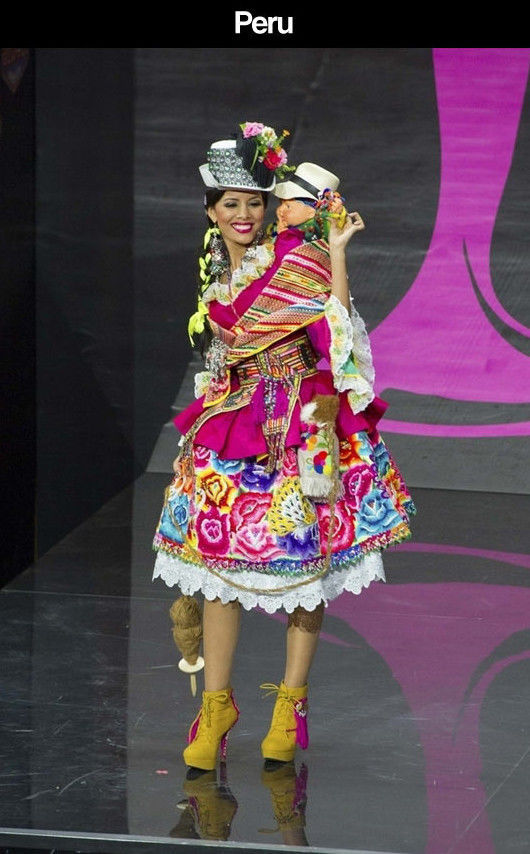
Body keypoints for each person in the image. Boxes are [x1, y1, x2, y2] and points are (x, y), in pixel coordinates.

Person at [152, 122, 416, 773]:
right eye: (230, 205)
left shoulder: (293, 259)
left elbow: (339, 330)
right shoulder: (215, 265)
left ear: (268, 206)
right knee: (217, 570)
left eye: (254, 203)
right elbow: (221, 352)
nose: (244, 215)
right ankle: (216, 708)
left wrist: (339, 254)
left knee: (304, 572)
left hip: (299, 424)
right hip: (235, 424)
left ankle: (289, 705)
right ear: (212, 211)